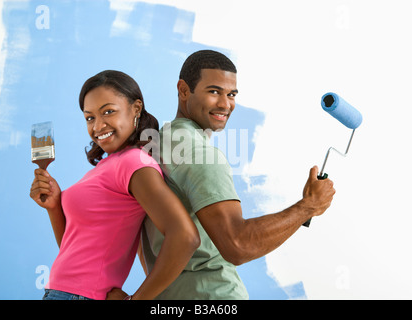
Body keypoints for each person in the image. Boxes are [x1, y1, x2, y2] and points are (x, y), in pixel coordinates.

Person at [140, 50, 336, 299]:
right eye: (214, 92)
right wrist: (308, 206)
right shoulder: (200, 154)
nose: (225, 104)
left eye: (231, 94)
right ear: (183, 90)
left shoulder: (153, 145)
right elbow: (238, 244)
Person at [29, 70, 200, 300]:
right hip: (63, 292)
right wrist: (53, 206)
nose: (98, 126)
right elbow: (75, 250)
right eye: (90, 118)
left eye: (108, 111)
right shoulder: (110, 164)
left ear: (136, 108)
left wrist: (136, 300)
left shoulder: (135, 162)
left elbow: (185, 236)